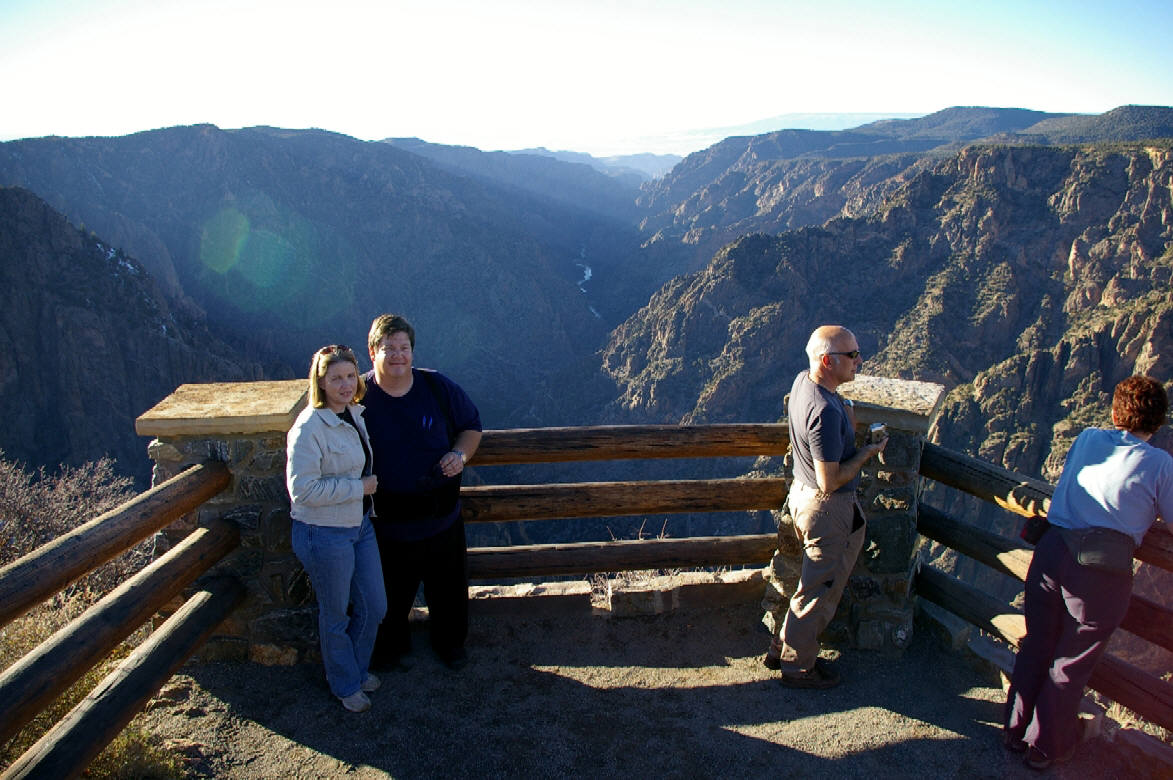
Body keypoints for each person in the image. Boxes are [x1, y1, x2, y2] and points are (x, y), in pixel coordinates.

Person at [1004, 375, 1173, 770]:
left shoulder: (1087, 438)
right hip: (1099, 571)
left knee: (1037, 643)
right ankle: (1044, 747)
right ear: (1159, 422)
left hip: (1051, 552)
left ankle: (1014, 731)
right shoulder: (1161, 464)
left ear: (1115, 412)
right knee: (1071, 660)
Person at [763, 325, 887, 688]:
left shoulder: (804, 383)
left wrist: (845, 409)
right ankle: (798, 668)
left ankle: (779, 649)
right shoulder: (824, 413)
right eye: (852, 355)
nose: (859, 361)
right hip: (827, 509)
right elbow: (829, 481)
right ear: (827, 361)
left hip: (801, 497)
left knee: (809, 585)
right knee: (817, 593)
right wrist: (867, 452)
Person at [362, 314, 483, 671]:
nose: (398, 355)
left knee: (449, 594)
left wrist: (459, 455)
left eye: (404, 347)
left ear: (412, 352)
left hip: (441, 519)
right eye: (389, 348)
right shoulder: (357, 396)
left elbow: (471, 427)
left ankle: (450, 645)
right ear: (373, 352)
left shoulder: (437, 388)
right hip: (385, 527)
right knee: (386, 599)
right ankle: (389, 649)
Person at [286, 345, 386, 713]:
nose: (344, 384)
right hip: (323, 532)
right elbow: (302, 491)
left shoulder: (353, 414)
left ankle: (355, 670)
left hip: (359, 526)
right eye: (335, 378)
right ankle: (345, 684)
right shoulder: (308, 427)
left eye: (349, 376)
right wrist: (359, 488)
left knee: (374, 605)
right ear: (321, 382)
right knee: (335, 614)